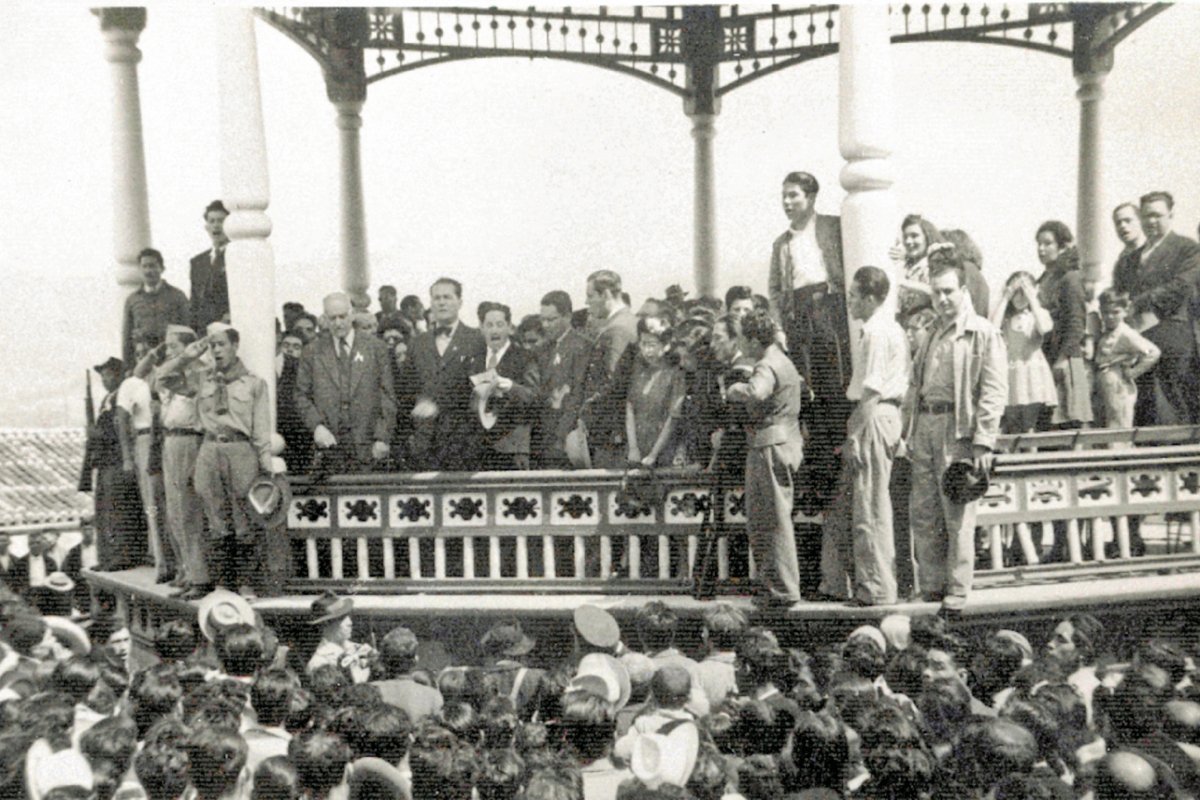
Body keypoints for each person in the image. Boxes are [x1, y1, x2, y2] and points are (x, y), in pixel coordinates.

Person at [902, 246, 1007, 613]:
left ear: (963, 290)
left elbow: (994, 391)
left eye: (949, 291)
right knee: (925, 510)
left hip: (957, 430)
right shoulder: (931, 332)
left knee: (958, 514)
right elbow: (914, 384)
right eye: (937, 292)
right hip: (926, 425)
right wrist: (907, 430)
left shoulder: (982, 333)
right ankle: (930, 584)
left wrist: (983, 442)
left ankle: (957, 589)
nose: (943, 299)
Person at [820, 266, 910, 606]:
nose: (851, 303)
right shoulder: (893, 330)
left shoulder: (875, 332)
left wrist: (853, 436)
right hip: (886, 414)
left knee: (869, 508)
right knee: (855, 504)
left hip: (873, 414)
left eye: (855, 296)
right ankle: (847, 583)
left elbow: (871, 391)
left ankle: (876, 590)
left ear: (871, 298)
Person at [766, 171, 850, 518]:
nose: (788, 202)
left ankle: (836, 473)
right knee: (807, 396)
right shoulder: (781, 243)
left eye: (794, 195)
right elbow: (774, 291)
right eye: (784, 195)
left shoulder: (833, 226)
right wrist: (779, 327)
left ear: (811, 197)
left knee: (834, 390)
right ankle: (812, 482)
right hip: (798, 317)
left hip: (829, 312)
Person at [185, 323, 280, 598]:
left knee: (244, 518)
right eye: (212, 345)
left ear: (235, 346)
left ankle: (245, 583)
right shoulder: (203, 379)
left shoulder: (254, 383)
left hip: (241, 451)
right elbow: (163, 380)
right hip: (210, 449)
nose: (216, 350)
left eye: (221, 344)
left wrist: (265, 466)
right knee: (214, 519)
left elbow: (261, 430)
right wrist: (190, 355)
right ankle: (223, 583)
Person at [726, 309, 805, 607]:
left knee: (769, 520)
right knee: (775, 517)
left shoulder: (766, 364)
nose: (741, 346)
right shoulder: (785, 361)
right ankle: (779, 587)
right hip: (788, 441)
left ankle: (781, 590)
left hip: (769, 446)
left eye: (742, 339)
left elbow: (755, 392)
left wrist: (735, 389)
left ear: (753, 338)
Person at [294, 292, 396, 475]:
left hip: (368, 445)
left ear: (351, 315)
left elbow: (387, 395)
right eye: (332, 318)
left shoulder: (375, 347)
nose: (338, 323)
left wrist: (382, 437)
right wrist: (316, 426)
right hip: (329, 446)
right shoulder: (312, 351)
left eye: (342, 316)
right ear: (324, 318)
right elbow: (301, 395)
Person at [1123, 191, 1200, 426]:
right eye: (1146, 216)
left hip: (1173, 338)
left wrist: (1137, 302)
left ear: (1171, 215)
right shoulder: (1132, 258)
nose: (1151, 221)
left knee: (1176, 403)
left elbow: (1181, 286)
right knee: (1145, 406)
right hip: (1139, 341)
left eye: (1157, 215)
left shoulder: (1187, 248)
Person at [396, 278, 487, 471]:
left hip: (463, 444)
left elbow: (478, 389)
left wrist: (437, 404)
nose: (442, 302)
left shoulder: (477, 339)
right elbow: (406, 389)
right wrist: (419, 404)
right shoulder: (417, 343)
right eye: (437, 298)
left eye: (447, 297)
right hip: (424, 443)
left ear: (460, 302)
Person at [152, 324, 210, 597]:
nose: (168, 351)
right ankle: (187, 571)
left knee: (188, 510)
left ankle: (200, 576)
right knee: (175, 512)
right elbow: (158, 378)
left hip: (189, 439)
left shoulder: (198, 371)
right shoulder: (179, 367)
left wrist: (186, 357)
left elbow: (164, 378)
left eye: (173, 346)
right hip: (171, 440)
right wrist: (181, 358)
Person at [81, 357, 148, 571]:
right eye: (102, 375)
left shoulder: (121, 398)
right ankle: (108, 557)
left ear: (119, 375)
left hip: (117, 461)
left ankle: (122, 556)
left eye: (108, 374)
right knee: (105, 511)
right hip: (105, 461)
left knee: (118, 511)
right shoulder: (107, 400)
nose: (104, 379)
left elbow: (122, 430)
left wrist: (98, 433)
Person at [576, 270, 639, 469]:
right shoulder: (628, 321)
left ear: (606, 295)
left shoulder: (617, 329)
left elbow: (614, 384)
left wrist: (586, 412)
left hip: (610, 436)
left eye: (590, 296)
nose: (587, 302)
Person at [1035, 221, 1092, 429]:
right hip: (1046, 356)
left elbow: (1076, 322)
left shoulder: (1070, 278)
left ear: (1062, 246)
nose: (1041, 249)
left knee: (1068, 422)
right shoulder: (1044, 279)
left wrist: (1063, 358)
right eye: (1039, 243)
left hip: (1064, 358)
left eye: (1047, 243)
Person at [472, 302, 539, 471]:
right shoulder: (473, 359)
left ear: (510, 328)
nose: (495, 331)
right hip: (478, 450)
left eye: (500, 325)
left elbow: (535, 398)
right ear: (481, 328)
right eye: (489, 325)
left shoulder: (525, 358)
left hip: (512, 450)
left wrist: (511, 387)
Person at [991, 271, 1057, 434]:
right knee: (1011, 423)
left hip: (1032, 372)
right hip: (1011, 371)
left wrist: (1033, 298)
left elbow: (1044, 328)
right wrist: (1005, 298)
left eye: (1024, 292)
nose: (1020, 297)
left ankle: (1031, 458)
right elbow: (991, 328)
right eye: (1016, 292)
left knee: (1029, 424)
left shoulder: (1038, 315)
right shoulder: (1005, 318)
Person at [535, 290, 589, 469]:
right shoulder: (542, 349)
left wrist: (561, 437)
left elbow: (577, 395)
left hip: (565, 436)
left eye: (551, 319)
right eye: (542, 319)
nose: (545, 325)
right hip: (543, 434)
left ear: (567, 317)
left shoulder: (582, 346)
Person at [1094, 290, 1161, 431]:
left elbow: (1153, 352)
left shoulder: (1126, 333)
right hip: (1105, 380)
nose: (1110, 316)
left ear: (1126, 311)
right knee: (1107, 421)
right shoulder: (1107, 331)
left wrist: (1133, 372)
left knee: (1119, 421)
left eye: (1115, 312)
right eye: (1105, 312)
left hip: (1118, 381)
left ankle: (1120, 451)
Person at [625, 317, 686, 468]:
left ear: (666, 346)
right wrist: (633, 448)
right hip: (637, 449)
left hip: (663, 451)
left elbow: (673, 418)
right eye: (643, 344)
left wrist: (653, 454)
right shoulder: (639, 373)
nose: (647, 351)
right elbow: (630, 408)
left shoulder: (675, 375)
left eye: (652, 345)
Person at [121, 248, 189, 371]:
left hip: (172, 360)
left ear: (162, 268)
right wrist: (129, 368)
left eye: (152, 266)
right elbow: (127, 337)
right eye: (144, 266)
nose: (148, 271)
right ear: (139, 270)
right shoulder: (132, 300)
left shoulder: (177, 296)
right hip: (144, 362)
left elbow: (188, 329)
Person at [306, 591, 377, 684]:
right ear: (326, 625)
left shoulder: (360, 649)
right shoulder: (319, 662)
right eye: (341, 619)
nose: (350, 622)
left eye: (348, 616)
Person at [191, 199, 231, 332]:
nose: (216, 226)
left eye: (221, 221)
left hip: (229, 328)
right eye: (211, 221)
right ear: (206, 226)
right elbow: (195, 301)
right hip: (204, 331)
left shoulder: (237, 256)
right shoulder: (198, 262)